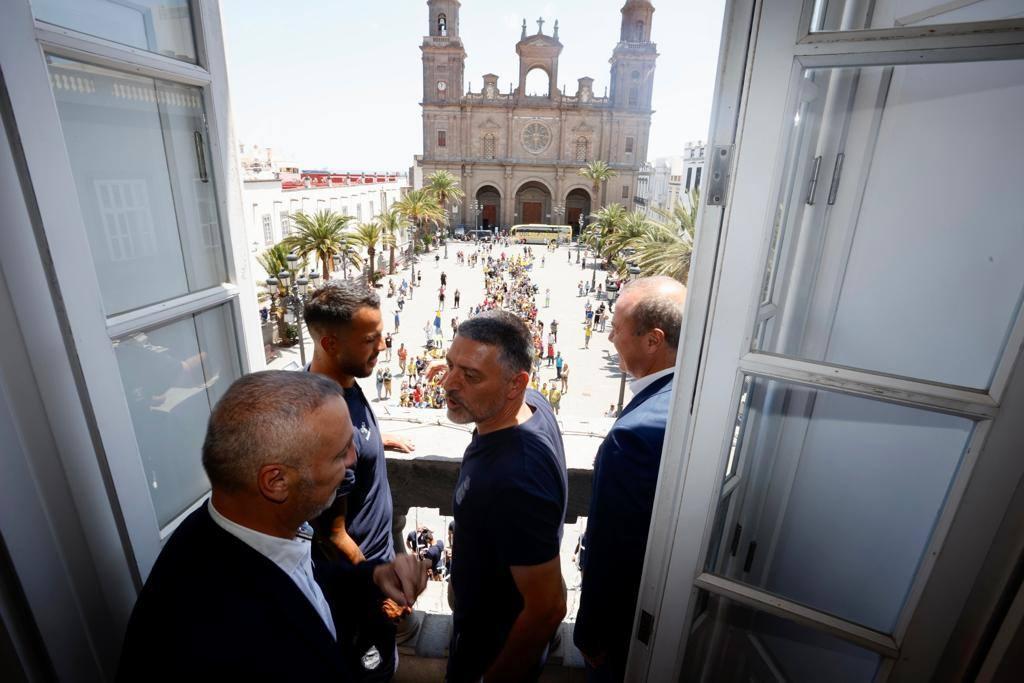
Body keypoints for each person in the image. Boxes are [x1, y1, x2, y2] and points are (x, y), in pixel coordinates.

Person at [117, 371, 429, 681]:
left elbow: (302, 578)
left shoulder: (234, 531)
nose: (352, 459)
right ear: (277, 481)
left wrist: (374, 576)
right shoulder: (223, 641)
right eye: (339, 453)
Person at [431, 311, 568, 682]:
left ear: (515, 384)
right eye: (449, 366)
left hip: (493, 646)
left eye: (470, 376)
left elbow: (547, 608)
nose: (447, 383)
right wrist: (464, 370)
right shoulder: (533, 405)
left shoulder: (516, 480)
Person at [304, 281, 418, 681]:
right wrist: (379, 586)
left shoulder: (341, 387)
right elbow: (332, 536)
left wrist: (374, 439)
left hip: (372, 569)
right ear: (332, 344)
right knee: (371, 670)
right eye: (371, 339)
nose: (383, 346)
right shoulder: (324, 419)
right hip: (358, 583)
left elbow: (354, 438)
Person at [574, 276, 685, 680]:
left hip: (627, 634)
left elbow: (615, 548)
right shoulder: (686, 395)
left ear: (653, 340)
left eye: (616, 329)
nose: (608, 338)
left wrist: (592, 633)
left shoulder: (636, 433)